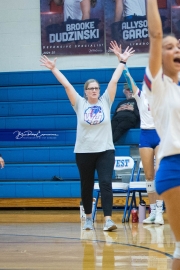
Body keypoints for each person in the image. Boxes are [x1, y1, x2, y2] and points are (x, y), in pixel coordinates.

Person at [40, 45, 134, 231]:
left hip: (105, 150)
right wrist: (53, 69)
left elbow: (114, 81)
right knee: (87, 184)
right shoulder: (79, 103)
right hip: (83, 151)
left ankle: (108, 219)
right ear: (85, 91)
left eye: (96, 88)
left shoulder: (106, 100)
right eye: (91, 88)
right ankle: (89, 218)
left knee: (106, 183)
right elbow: (67, 85)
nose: (94, 90)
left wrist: (122, 61)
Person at [109, 40, 164, 225]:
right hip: (146, 136)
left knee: (160, 174)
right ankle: (153, 211)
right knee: (149, 176)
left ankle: (161, 211)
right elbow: (128, 78)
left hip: (162, 137)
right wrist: (121, 60)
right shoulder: (140, 96)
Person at [143, 0, 180, 268]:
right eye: (169, 47)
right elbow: (155, 35)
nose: (175, 49)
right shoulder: (157, 85)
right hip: (174, 166)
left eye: (178, 46)